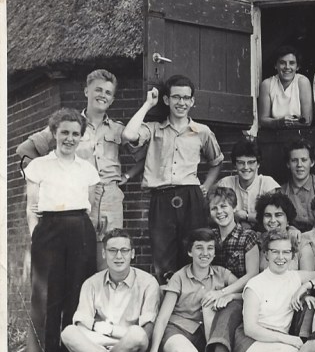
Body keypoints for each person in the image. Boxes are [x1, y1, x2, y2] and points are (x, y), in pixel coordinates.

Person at [16, 69, 145, 270]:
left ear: (112, 100)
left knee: (109, 257)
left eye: (108, 92)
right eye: (98, 90)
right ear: (86, 91)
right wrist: (42, 181)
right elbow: (25, 150)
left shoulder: (118, 129)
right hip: (79, 198)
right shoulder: (70, 126)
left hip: (111, 199)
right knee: (78, 260)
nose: (102, 95)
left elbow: (144, 157)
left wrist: (128, 175)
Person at [205, 229, 315, 352]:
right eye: (275, 252)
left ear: (292, 255)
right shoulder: (255, 284)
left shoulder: (295, 277)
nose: (281, 257)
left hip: (276, 347)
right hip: (249, 345)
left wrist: (306, 286)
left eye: (286, 252)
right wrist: (288, 339)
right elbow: (251, 329)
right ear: (266, 254)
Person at [122, 75, 224, 283]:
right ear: (167, 100)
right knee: (163, 256)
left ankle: (193, 297)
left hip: (191, 197)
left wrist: (205, 186)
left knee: (194, 250)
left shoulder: (202, 132)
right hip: (161, 198)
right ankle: (168, 299)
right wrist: (148, 104)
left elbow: (216, 162)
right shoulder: (153, 129)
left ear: (192, 101)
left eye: (186, 98)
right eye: (176, 97)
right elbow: (129, 135)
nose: (181, 102)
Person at [24, 108, 100, 352]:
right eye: (64, 132)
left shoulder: (87, 169)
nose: (69, 138)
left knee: (76, 292)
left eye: (75, 134)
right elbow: (31, 208)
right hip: (49, 230)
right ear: (54, 133)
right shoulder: (38, 166)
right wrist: (36, 235)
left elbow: (90, 206)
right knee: (49, 296)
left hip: (80, 229)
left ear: (81, 137)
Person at [59, 229, 158, 352]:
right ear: (104, 253)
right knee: (68, 332)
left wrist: (109, 332)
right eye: (112, 250)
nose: (119, 256)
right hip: (97, 348)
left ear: (132, 253)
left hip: (131, 349)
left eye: (124, 250)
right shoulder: (91, 283)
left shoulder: (148, 282)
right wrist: (112, 340)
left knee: (137, 334)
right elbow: (81, 327)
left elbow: (146, 332)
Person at [145, 228, 238, 352]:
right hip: (176, 331)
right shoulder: (179, 277)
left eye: (210, 248)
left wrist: (230, 295)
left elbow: (247, 291)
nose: (205, 253)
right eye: (199, 248)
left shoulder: (221, 274)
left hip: (201, 338)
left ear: (214, 253)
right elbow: (163, 318)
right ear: (190, 252)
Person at [201, 187, 262, 352]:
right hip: (216, 293)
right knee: (207, 305)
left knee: (228, 309)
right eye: (214, 208)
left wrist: (226, 293)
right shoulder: (210, 237)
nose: (219, 212)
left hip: (242, 294)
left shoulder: (248, 236)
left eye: (224, 206)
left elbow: (252, 274)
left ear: (234, 207)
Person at [216, 140, 280, 229]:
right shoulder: (225, 183)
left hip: (263, 232)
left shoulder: (267, 183)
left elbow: (274, 217)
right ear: (235, 164)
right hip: (232, 231)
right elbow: (217, 213)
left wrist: (245, 216)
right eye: (241, 162)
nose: (246, 167)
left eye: (251, 162)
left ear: (258, 164)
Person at [279, 139, 315, 232]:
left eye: (304, 160)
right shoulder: (281, 192)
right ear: (288, 164)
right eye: (294, 160)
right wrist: (289, 228)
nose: (299, 165)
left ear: (312, 162)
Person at [255, 191, 315, 271]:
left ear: (288, 220)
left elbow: (308, 276)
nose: (273, 220)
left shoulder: (301, 245)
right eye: (267, 215)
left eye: (278, 215)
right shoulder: (258, 242)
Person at [258, 45, 313, 129]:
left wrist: (286, 123)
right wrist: (278, 122)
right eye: (282, 63)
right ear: (275, 65)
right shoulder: (267, 84)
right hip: (274, 134)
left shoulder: (302, 82)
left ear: (297, 67)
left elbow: (307, 121)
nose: (287, 67)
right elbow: (263, 120)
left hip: (299, 134)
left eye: (292, 63)